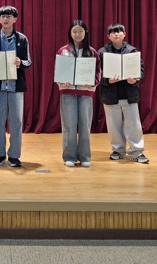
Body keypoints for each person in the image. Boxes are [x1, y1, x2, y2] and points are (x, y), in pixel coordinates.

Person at [0, 6, 31, 168]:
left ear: (15, 19)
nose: (6, 19)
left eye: (9, 16)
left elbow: (28, 62)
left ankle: (14, 155)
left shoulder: (22, 39)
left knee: (16, 121)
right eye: (3, 16)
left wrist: (20, 63)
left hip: (15, 86)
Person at [98, 24, 149, 164]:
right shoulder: (102, 52)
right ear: (108, 36)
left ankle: (136, 151)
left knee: (133, 125)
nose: (116, 34)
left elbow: (141, 71)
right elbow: (96, 73)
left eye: (119, 31)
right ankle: (118, 150)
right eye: (113, 32)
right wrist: (107, 80)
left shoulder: (132, 51)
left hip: (129, 94)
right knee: (113, 125)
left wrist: (136, 79)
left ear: (124, 34)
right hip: (110, 95)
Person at [56, 20, 100, 167]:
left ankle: (85, 157)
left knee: (85, 125)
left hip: (86, 93)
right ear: (70, 33)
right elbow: (58, 71)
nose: (77, 34)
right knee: (69, 125)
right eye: (74, 31)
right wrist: (63, 82)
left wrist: (92, 82)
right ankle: (69, 156)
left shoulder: (92, 52)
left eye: (80, 31)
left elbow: (97, 72)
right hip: (67, 93)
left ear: (85, 33)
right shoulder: (63, 51)